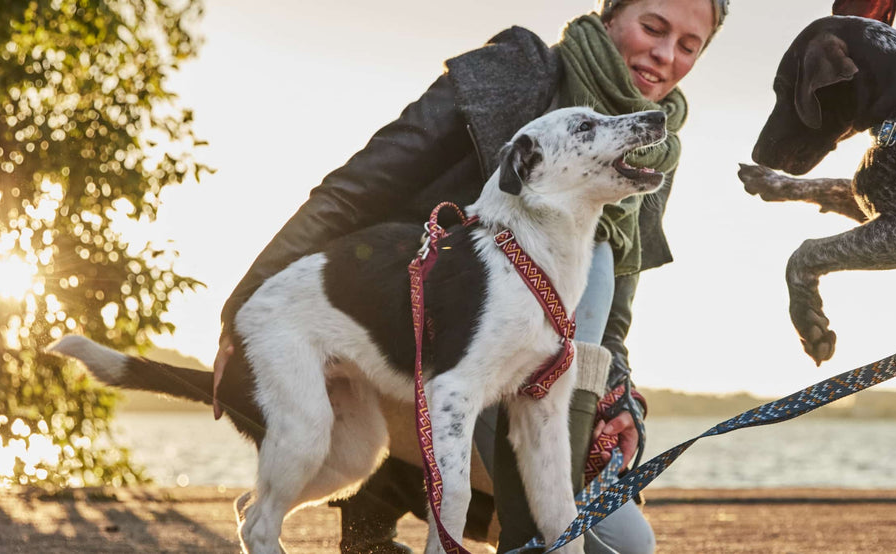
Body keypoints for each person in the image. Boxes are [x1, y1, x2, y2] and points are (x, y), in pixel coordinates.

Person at [212, 1, 728, 552]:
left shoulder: (647, 157)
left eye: (689, 45)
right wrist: (240, 307)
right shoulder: (517, 68)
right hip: (411, 340)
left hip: (514, 383)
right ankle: (397, 504)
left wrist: (619, 397)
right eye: (652, 27)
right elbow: (356, 187)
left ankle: (402, 495)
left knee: (625, 547)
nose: (665, 53)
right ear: (608, 15)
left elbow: (611, 325)